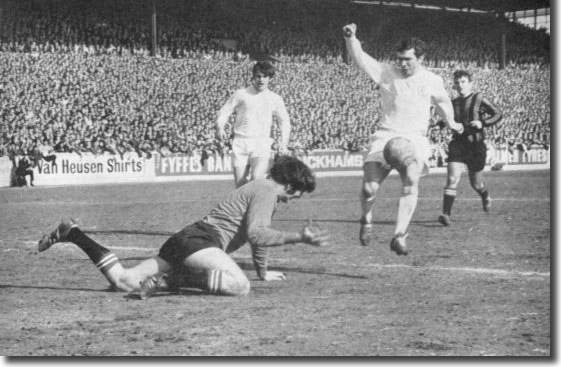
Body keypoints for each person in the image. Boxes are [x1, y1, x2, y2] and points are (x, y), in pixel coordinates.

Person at [37, 156, 329, 299]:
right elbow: (256, 234)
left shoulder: (259, 187)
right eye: (300, 192)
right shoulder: (267, 190)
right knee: (240, 286)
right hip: (203, 241)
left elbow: (257, 238)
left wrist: (264, 271)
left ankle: (72, 233)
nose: (297, 199)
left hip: (186, 239)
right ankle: (167, 282)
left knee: (124, 281)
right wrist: (298, 237)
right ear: (291, 184)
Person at [343, 23, 464, 256]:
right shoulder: (385, 72)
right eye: (400, 59)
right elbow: (360, 58)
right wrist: (351, 38)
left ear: (421, 58)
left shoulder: (431, 79)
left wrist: (451, 122)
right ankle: (366, 219)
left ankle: (399, 235)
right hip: (385, 135)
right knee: (369, 188)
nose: (403, 63)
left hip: (414, 139)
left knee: (411, 178)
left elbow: (443, 103)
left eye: (408, 59)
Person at [438, 70, 502, 227]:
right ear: (454, 85)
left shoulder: (478, 98)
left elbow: (498, 113)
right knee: (452, 179)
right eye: (457, 83)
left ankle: (485, 195)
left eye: (463, 82)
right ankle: (446, 214)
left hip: (476, 146)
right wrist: (439, 124)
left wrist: (483, 123)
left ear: (470, 83)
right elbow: (448, 119)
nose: (460, 85)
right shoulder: (452, 103)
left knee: (476, 183)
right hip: (458, 144)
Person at [216, 61, 291, 187]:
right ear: (253, 77)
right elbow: (224, 111)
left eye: (265, 77)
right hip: (240, 142)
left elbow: (284, 122)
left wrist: (283, 143)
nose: (261, 80)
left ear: (270, 79)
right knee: (241, 186)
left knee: (256, 178)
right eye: (258, 76)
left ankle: (264, 196)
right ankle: (252, 203)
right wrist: (220, 127)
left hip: (261, 142)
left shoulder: (275, 98)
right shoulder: (241, 94)